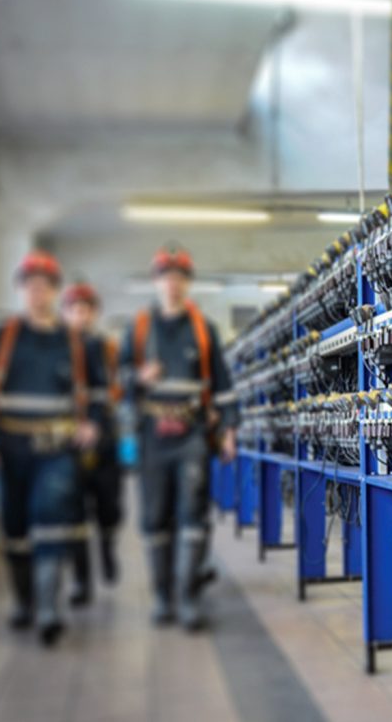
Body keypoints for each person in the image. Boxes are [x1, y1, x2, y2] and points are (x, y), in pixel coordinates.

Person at [0, 251, 107, 646]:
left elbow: (97, 392)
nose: (37, 293)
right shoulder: (2, 337)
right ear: (20, 290)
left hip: (56, 449)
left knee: (51, 519)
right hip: (9, 448)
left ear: (55, 291)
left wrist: (92, 422)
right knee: (15, 530)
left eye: (44, 286)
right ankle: (24, 602)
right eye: (30, 286)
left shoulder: (74, 342)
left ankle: (47, 608)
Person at [120, 246, 237, 630]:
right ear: (156, 282)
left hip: (192, 435)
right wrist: (138, 378)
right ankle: (162, 596)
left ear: (187, 283)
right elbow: (118, 381)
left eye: (179, 277)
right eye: (166, 277)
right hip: (152, 436)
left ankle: (187, 598)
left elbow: (222, 386)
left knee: (192, 513)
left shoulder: (202, 330)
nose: (172, 284)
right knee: (155, 517)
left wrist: (229, 431)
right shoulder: (139, 329)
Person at [62, 281, 123, 606]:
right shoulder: (56, 349)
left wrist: (96, 424)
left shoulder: (107, 349)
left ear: (94, 313)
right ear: (65, 313)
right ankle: (81, 581)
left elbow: (114, 391)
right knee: (73, 513)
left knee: (108, 507)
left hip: (104, 440)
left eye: (86, 310)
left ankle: (108, 548)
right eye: (74, 310)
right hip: (68, 441)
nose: (80, 316)